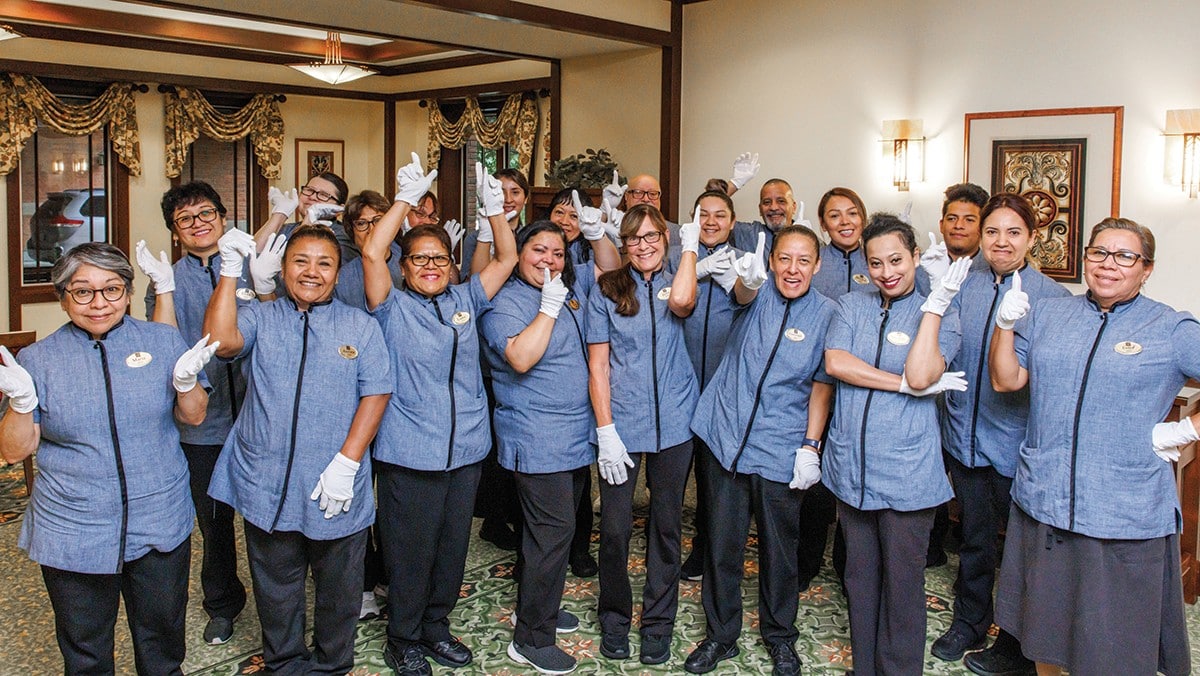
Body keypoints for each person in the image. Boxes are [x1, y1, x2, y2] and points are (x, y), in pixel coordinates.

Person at [989, 217, 1195, 676]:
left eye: (1125, 256)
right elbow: (1006, 380)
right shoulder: (1050, 313)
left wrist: (1186, 431)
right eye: (1098, 252)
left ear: (1147, 269)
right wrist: (1005, 324)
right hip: (1045, 500)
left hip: (1123, 513)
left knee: (1112, 645)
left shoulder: (1171, 328)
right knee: (1045, 629)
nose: (1108, 265)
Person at [0, 243, 214, 675]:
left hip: (159, 517)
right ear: (62, 297)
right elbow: (13, 451)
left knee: (162, 642)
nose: (99, 303)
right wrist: (22, 402)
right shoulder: (39, 360)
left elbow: (192, 418)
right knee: (86, 652)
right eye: (83, 291)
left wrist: (187, 382)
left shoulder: (161, 339)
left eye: (112, 289)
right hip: (72, 526)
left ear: (129, 292)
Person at [204, 225, 392, 675]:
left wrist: (348, 461)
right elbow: (221, 340)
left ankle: (332, 664)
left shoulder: (359, 326)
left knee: (339, 588)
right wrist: (230, 272)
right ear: (283, 268)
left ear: (338, 272)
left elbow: (377, 393)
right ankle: (285, 662)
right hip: (265, 480)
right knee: (277, 586)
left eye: (324, 263)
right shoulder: (262, 318)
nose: (312, 272)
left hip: (334, 482)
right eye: (300, 261)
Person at [362, 158, 517, 676]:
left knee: (452, 552)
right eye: (418, 258)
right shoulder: (389, 306)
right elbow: (370, 249)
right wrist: (404, 199)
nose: (430, 265)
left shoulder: (466, 299)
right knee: (410, 552)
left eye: (439, 258)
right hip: (409, 451)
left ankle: (435, 626)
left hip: (467, 448)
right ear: (403, 267)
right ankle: (402, 636)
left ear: (452, 264)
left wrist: (493, 210)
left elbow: (508, 257)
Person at [822, 213, 968, 676]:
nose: (887, 273)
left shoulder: (944, 312)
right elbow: (837, 362)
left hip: (907, 474)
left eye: (896, 261)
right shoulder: (851, 305)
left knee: (902, 587)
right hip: (851, 468)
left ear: (915, 257)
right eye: (877, 263)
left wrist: (936, 306)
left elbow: (924, 373)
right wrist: (900, 385)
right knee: (860, 580)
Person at [929, 193, 1069, 670]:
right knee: (973, 539)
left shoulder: (1053, 299)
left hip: (1017, 446)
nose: (1001, 241)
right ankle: (969, 620)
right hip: (964, 440)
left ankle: (1018, 642)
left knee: (1024, 550)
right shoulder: (962, 284)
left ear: (1032, 237)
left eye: (1013, 232)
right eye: (992, 232)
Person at [684, 225, 831, 676]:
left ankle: (780, 637)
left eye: (803, 260)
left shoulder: (827, 313)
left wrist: (810, 446)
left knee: (779, 550)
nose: (792, 269)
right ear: (771, 260)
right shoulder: (757, 292)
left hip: (780, 445)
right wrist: (746, 280)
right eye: (784, 258)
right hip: (725, 435)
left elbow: (822, 386)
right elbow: (742, 292)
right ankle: (720, 636)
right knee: (722, 545)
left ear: (817, 266)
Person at [135, 181, 262, 646]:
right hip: (202, 422)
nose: (198, 223)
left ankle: (279, 600)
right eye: (185, 219)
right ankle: (223, 604)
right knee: (213, 521)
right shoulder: (167, 280)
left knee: (265, 515)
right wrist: (162, 290)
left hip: (255, 414)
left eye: (206, 213)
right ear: (175, 231)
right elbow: (161, 342)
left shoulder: (252, 265)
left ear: (223, 217)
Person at [479, 220, 597, 674]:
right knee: (552, 536)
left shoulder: (562, 292)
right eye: (538, 250)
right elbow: (521, 357)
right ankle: (531, 638)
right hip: (537, 435)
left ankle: (537, 608)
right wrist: (548, 309)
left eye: (558, 253)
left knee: (546, 535)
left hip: (572, 434)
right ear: (519, 254)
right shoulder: (503, 301)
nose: (548, 260)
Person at [586, 203, 699, 666]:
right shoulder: (607, 290)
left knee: (666, 526)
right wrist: (606, 430)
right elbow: (598, 365)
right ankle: (614, 618)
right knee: (613, 529)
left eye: (653, 236)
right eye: (634, 238)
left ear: (666, 240)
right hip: (623, 425)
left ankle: (658, 622)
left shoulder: (681, 279)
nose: (644, 245)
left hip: (675, 421)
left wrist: (690, 252)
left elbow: (685, 304)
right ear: (624, 244)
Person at [671, 190, 753, 581]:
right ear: (692, 218)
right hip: (677, 383)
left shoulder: (743, 260)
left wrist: (738, 280)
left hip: (720, 386)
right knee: (670, 476)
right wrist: (695, 270)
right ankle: (665, 548)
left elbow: (747, 297)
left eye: (720, 215)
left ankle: (705, 549)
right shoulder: (676, 256)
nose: (711, 221)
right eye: (703, 213)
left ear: (733, 222)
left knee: (712, 478)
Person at [543, 187, 623, 578]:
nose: (566, 221)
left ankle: (578, 548)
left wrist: (596, 235)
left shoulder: (583, 264)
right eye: (560, 213)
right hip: (543, 387)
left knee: (580, 471)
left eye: (573, 216)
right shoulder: (536, 262)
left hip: (583, 379)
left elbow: (610, 269)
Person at [334, 190, 404, 311]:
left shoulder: (409, 262)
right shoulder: (343, 278)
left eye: (378, 220)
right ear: (352, 231)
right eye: (361, 223)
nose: (372, 230)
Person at [809, 187, 871, 299]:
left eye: (852, 213)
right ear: (823, 223)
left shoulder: (876, 262)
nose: (845, 222)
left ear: (863, 219)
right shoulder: (810, 262)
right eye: (834, 216)